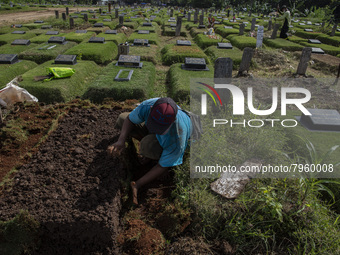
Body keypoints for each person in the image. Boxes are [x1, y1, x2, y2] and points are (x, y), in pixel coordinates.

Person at [107, 97, 192, 204]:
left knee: (148, 145)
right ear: (151, 109)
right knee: (122, 118)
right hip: (161, 130)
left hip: (172, 138)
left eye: (160, 127)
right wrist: (121, 140)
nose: (155, 129)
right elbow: (129, 119)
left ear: (173, 120)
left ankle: (155, 156)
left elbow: (163, 166)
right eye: (155, 124)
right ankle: (149, 153)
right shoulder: (148, 105)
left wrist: (138, 184)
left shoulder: (178, 136)